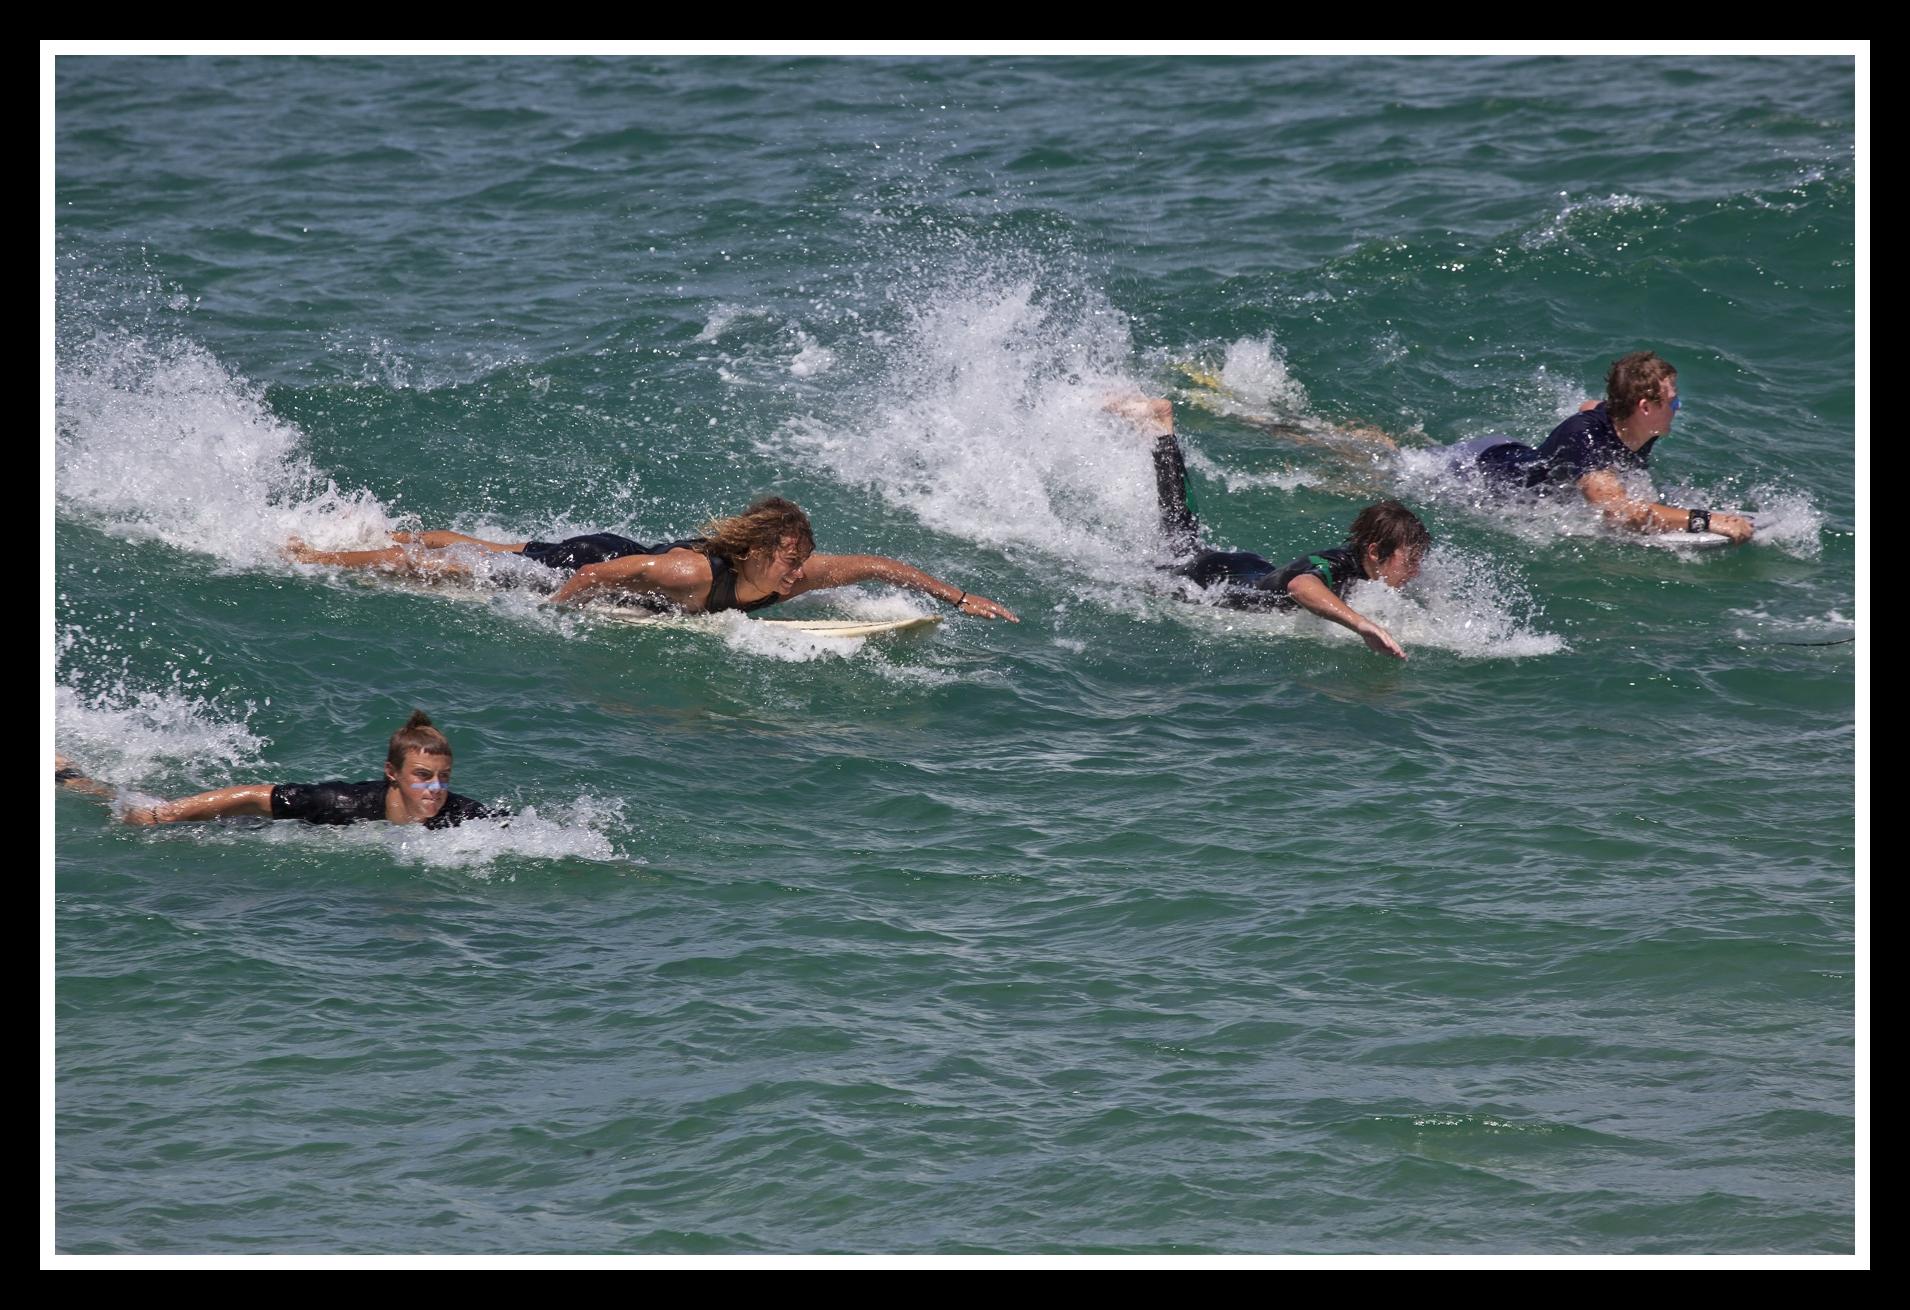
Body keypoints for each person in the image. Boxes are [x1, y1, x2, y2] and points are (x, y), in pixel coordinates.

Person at [288, 495, 1018, 621]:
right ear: (759, 555)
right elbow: (594, 573)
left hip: (626, 574)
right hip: (610, 561)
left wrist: (956, 598)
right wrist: (550, 614)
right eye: (791, 562)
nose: (802, 574)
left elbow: (889, 566)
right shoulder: (691, 574)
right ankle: (326, 556)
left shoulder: (799, 575)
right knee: (487, 564)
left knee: (499, 546)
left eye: (804, 563)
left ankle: (412, 530)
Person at [1113, 397, 1431, 660]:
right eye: (1410, 561)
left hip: (1253, 570)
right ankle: (1159, 428)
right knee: (1164, 551)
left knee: (1182, 532)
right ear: (1375, 552)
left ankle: (1160, 429)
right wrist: (1363, 626)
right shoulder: (1338, 565)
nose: (1415, 572)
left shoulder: (1365, 572)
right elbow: (1300, 587)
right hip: (1214, 577)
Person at [1445, 351, 1755, 542]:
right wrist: (1705, 519)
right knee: (1403, 456)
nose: (1678, 407)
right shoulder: (1589, 439)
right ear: (1645, 407)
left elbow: (1589, 405)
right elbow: (1619, 513)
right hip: (1477, 471)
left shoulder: (1635, 422)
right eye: (1673, 402)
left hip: (1510, 450)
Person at [54, 711, 504, 829]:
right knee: (146, 806)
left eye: (443, 777)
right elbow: (253, 795)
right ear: (392, 772)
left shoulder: (460, 815)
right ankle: (72, 779)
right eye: (422, 776)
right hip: (250, 824)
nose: (436, 789)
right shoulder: (344, 803)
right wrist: (164, 815)